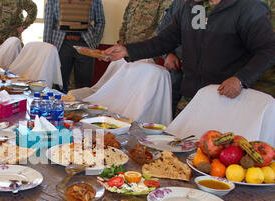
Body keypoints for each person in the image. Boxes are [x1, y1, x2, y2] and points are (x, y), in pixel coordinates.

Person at [104, 0, 275, 101]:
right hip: (191, 98)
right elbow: (164, 41)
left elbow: (268, 50)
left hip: (226, 99)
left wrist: (241, 79)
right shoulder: (194, 8)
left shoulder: (247, 8)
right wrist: (127, 50)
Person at [44, 0, 105, 93]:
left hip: (85, 43)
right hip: (61, 43)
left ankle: (82, 106)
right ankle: (58, 106)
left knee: (84, 85)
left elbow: (100, 21)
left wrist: (94, 43)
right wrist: (47, 47)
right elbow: (48, 22)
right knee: (59, 84)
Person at [156, 0, 185, 117]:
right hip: (177, 68)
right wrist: (167, 54)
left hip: (206, 75)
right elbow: (162, 32)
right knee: (170, 110)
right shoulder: (178, 3)